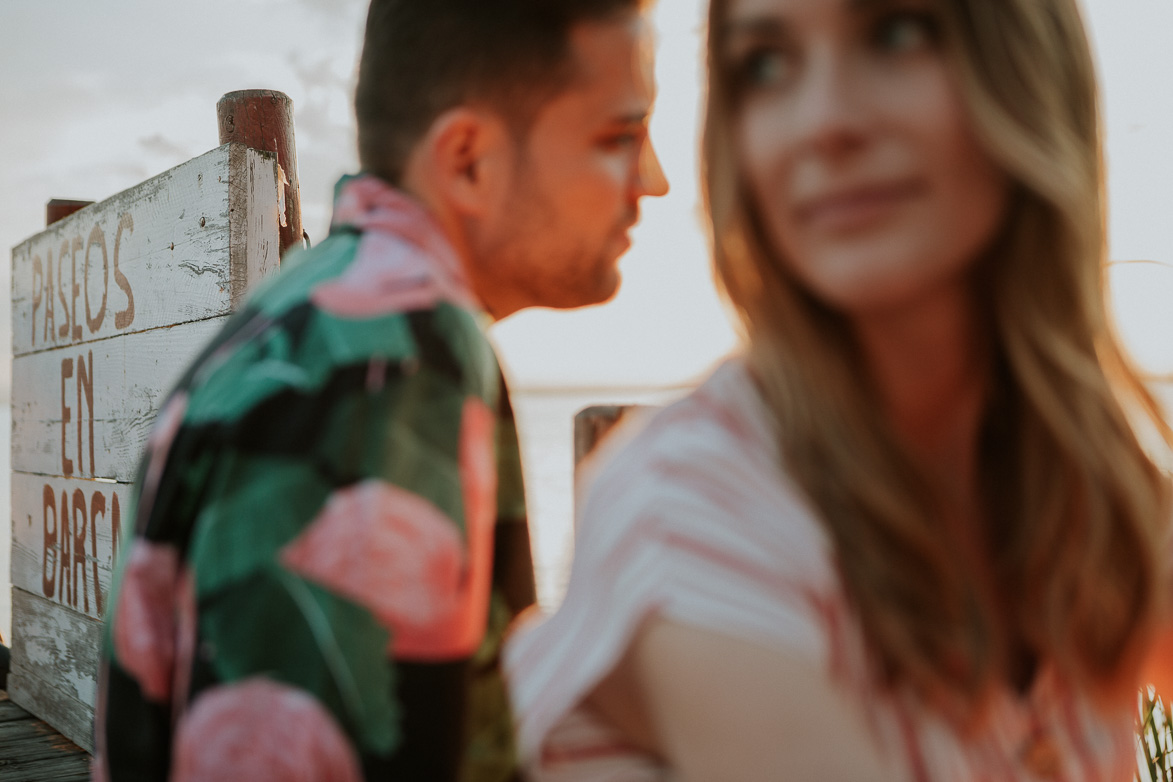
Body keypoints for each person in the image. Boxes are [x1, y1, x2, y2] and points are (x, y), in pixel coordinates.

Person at [504, 0, 1173, 778]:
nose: (821, 121)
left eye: (895, 32)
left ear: (1022, 66)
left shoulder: (1074, 476)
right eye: (765, 65)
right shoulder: (693, 508)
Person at [94, 0, 667, 779]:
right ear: (468, 159)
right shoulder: (386, 362)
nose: (655, 180)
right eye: (620, 135)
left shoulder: (328, 310)